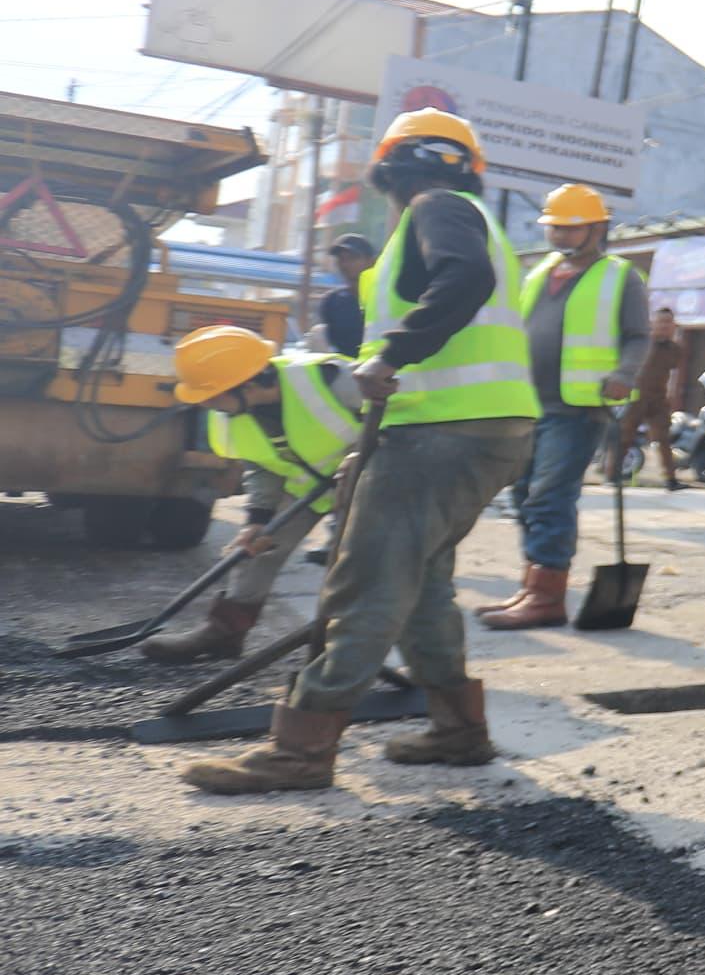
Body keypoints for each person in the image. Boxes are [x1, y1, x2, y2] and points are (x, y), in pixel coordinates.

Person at [183, 108, 539, 792]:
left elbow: (463, 280)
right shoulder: (474, 217)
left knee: (367, 581)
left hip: (442, 430)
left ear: (390, 169)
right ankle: (459, 731)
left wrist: (395, 354)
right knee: (423, 584)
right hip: (483, 431)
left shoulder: (438, 208)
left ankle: (302, 750)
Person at [479, 183, 647, 630]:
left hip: (578, 406)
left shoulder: (620, 275)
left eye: (570, 230)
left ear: (597, 229)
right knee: (522, 495)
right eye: (555, 228)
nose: (559, 237)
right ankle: (533, 583)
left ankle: (546, 598)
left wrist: (624, 375)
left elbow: (637, 337)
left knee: (549, 496)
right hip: (527, 402)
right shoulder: (539, 272)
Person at [145, 326, 365, 663]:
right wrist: (257, 521)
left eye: (213, 393)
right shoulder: (233, 415)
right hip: (311, 486)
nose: (206, 403)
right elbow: (263, 465)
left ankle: (356, 652)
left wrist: (363, 458)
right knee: (257, 550)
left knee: (369, 563)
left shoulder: (335, 380)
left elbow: (400, 421)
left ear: (248, 383)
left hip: (377, 479)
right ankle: (223, 634)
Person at [627, 303, 688, 492]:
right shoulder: (642, 344)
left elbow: (675, 372)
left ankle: (670, 479)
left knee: (663, 439)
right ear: (652, 323)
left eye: (668, 323)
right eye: (660, 322)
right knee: (624, 436)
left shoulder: (675, 349)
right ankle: (612, 474)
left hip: (658, 399)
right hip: (635, 396)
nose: (664, 326)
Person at [316, 231, 376, 358]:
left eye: (353, 258)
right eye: (341, 259)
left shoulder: (384, 297)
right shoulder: (331, 302)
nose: (345, 264)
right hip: (344, 372)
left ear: (371, 261)